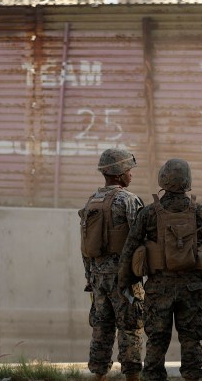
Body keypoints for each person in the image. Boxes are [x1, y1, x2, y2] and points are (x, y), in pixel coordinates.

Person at [118, 158, 202, 381]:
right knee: (191, 338)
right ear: (187, 181)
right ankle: (192, 375)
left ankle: (154, 376)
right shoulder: (201, 213)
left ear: (163, 180)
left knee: (156, 339)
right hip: (191, 288)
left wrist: (124, 282)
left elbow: (129, 250)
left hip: (158, 288)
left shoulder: (148, 213)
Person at [79, 148, 144, 381]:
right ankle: (132, 376)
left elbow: (85, 246)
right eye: (128, 170)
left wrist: (90, 277)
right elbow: (141, 239)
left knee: (101, 328)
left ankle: (99, 375)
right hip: (123, 279)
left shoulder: (91, 202)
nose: (131, 175)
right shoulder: (129, 200)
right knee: (130, 328)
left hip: (98, 279)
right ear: (118, 173)